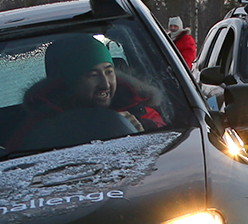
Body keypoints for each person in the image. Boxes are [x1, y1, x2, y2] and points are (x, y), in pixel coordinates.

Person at [18, 33, 167, 143]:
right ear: (70, 81)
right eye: (93, 75)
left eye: (109, 72)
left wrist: (143, 128)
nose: (105, 84)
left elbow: (167, 144)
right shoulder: (41, 128)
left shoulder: (139, 108)